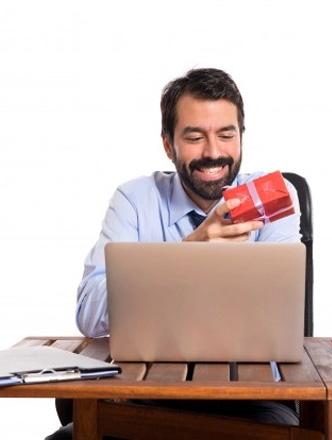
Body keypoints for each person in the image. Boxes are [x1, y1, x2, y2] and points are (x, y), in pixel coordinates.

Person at [46, 68, 301, 440]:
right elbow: (89, 313)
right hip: (145, 393)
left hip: (251, 397)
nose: (213, 152)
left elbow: (281, 316)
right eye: (195, 137)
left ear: (241, 138)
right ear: (169, 145)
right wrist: (192, 252)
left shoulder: (273, 197)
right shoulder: (135, 200)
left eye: (226, 135)